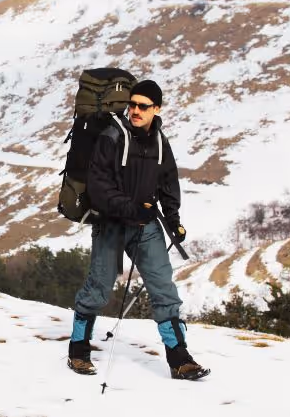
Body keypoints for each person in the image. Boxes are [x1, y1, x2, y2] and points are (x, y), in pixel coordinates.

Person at [67, 79, 209, 380]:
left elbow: (168, 182)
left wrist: (174, 220)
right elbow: (98, 186)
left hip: (146, 225)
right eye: (132, 104)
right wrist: (130, 208)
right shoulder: (111, 136)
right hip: (111, 224)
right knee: (99, 287)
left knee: (164, 290)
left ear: (156, 109)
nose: (135, 110)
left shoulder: (160, 141)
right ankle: (78, 349)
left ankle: (180, 359)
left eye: (142, 106)